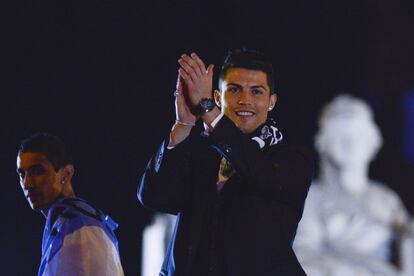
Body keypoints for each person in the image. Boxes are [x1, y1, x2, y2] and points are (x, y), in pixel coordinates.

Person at [138, 49, 313, 275]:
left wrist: (208, 111)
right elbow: (155, 197)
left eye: (256, 92)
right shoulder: (201, 150)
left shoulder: (292, 158)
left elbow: (255, 169)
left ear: (271, 102)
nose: (244, 100)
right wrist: (183, 125)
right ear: (219, 97)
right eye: (234, 89)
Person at [293, 94, 414, 276]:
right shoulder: (311, 197)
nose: (350, 143)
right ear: (324, 142)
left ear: (371, 141)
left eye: (358, 135)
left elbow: (406, 236)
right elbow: (302, 252)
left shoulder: (384, 197)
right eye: (340, 135)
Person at [16, 133, 124, 276]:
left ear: (66, 174)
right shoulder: (69, 221)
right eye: (22, 174)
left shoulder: (77, 226)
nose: (27, 183)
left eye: (37, 171)